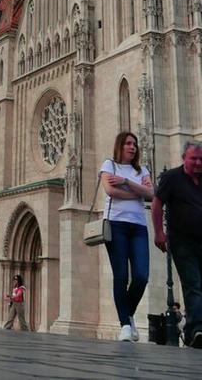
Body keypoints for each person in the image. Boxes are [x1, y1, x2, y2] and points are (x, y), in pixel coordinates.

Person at [100, 131, 153, 342]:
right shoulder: (109, 165)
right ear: (120, 146)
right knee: (121, 277)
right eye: (128, 143)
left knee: (141, 276)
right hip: (116, 224)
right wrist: (137, 192)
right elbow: (110, 191)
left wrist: (126, 182)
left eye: (135, 144)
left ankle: (127, 313)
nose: (132, 147)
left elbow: (151, 194)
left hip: (138, 226)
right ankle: (124, 325)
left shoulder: (142, 170)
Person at [152, 140, 202, 349]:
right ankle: (199, 328)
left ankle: (192, 332)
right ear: (184, 158)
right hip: (182, 241)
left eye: (201, 159)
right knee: (193, 284)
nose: (198, 163)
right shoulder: (171, 177)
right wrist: (159, 233)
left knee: (197, 286)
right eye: (194, 159)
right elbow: (157, 204)